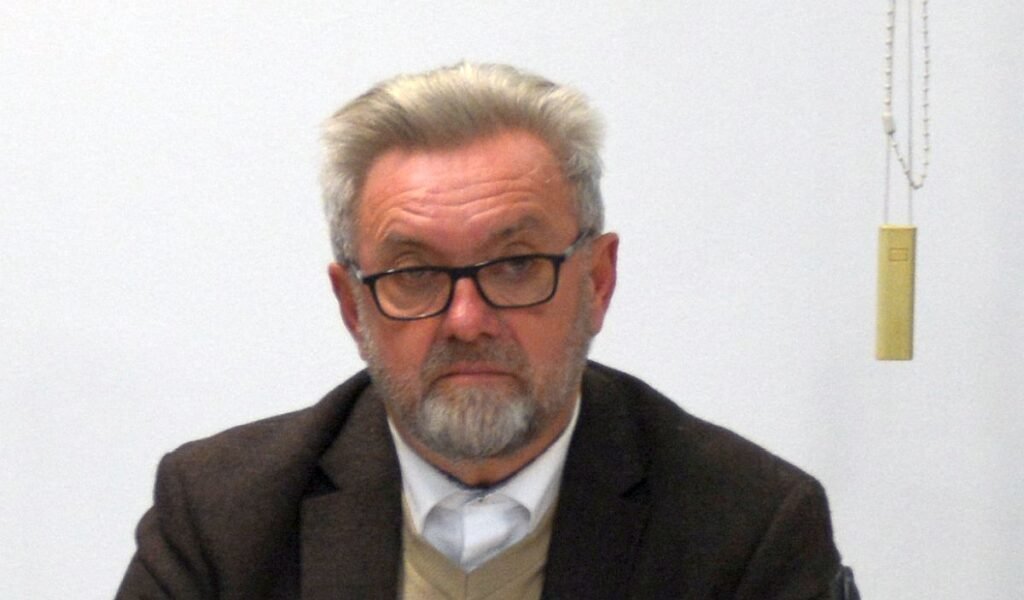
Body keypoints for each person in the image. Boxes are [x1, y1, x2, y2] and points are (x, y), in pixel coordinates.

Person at [117, 62, 857, 599]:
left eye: (515, 265)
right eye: (414, 273)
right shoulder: (222, 516)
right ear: (352, 307)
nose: (467, 321)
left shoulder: (746, 527)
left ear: (597, 282)